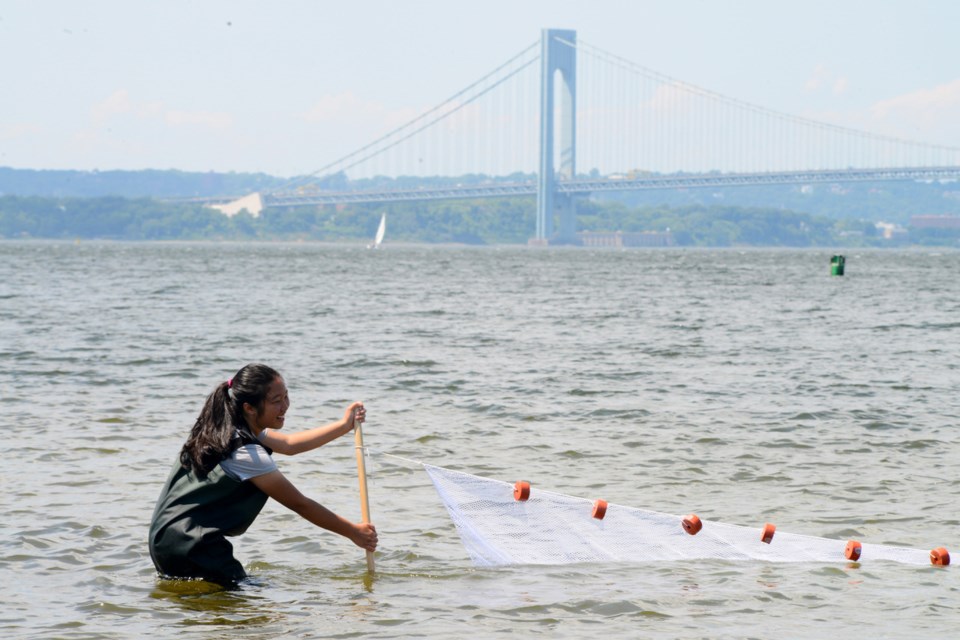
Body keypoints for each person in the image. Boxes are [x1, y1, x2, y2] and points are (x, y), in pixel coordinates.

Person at [148, 363, 378, 584]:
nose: (285, 406)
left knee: (234, 606)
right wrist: (353, 532)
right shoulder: (246, 453)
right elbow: (300, 504)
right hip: (192, 545)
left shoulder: (225, 429)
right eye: (276, 401)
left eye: (286, 396)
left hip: (167, 539)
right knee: (246, 610)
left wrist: (344, 425)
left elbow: (289, 444)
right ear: (249, 407)